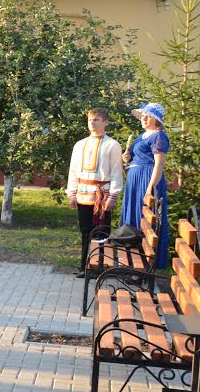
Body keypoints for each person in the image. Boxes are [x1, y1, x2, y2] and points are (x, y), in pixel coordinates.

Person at [65, 108, 124, 277]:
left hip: (102, 195)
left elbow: (115, 172)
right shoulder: (80, 144)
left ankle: (99, 266)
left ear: (105, 122)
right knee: (85, 231)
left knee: (101, 231)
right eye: (90, 120)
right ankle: (84, 266)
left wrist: (113, 196)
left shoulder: (112, 145)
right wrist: (72, 193)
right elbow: (74, 171)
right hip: (83, 194)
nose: (92, 123)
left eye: (97, 120)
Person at [121, 102, 170, 269]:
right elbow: (135, 158)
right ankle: (131, 261)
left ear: (157, 120)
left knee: (145, 219)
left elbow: (159, 165)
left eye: (148, 116)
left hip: (147, 179)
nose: (144, 118)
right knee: (133, 218)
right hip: (134, 180)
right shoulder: (140, 136)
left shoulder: (159, 136)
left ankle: (143, 264)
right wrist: (127, 158)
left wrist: (150, 187)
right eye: (143, 115)